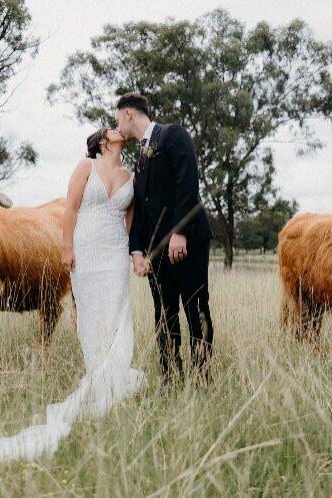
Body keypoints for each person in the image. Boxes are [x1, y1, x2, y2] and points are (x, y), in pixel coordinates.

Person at [0, 126, 145, 481]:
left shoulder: (130, 175)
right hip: (89, 252)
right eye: (110, 129)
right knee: (93, 317)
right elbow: (72, 208)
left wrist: (134, 249)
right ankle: (99, 378)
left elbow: (130, 217)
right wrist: (66, 248)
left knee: (120, 317)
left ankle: (115, 377)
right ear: (103, 141)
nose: (117, 129)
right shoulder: (85, 166)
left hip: (115, 253)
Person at [114, 92, 214, 385]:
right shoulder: (140, 160)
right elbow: (142, 210)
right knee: (164, 314)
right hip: (156, 254)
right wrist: (136, 250)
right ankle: (172, 377)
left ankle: (202, 380)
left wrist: (180, 232)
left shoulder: (173, 135)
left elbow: (188, 183)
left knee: (196, 309)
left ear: (129, 113)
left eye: (117, 117)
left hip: (188, 242)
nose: (117, 124)